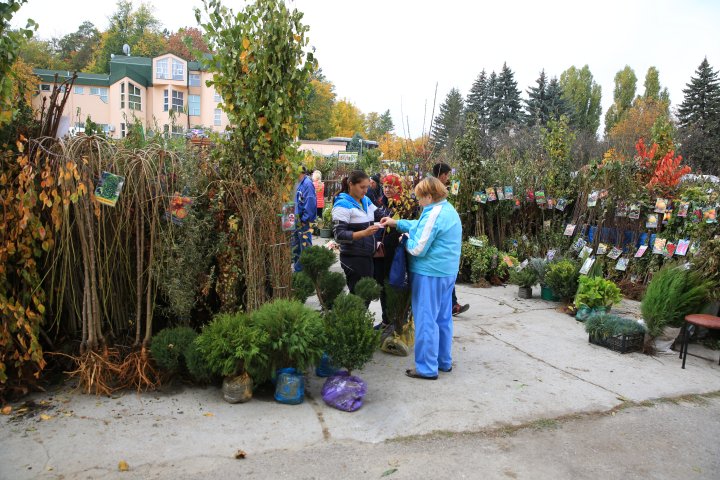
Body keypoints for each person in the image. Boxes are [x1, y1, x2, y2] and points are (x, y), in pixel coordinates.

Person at [380, 177, 462, 380]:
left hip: (429, 274)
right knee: (443, 318)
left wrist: (404, 240)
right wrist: (398, 223)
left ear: (429, 195)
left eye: (419, 197)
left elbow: (418, 248)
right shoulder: (447, 210)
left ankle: (426, 368)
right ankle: (443, 361)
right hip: (446, 273)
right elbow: (421, 225)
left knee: (426, 320)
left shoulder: (434, 213)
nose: (418, 201)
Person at [332, 170, 381, 295]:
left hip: (367, 255)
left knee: (365, 295)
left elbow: (379, 215)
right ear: (351, 184)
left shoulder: (366, 200)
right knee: (360, 296)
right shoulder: (342, 204)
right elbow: (339, 235)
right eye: (362, 187)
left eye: (367, 187)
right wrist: (364, 233)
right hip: (353, 257)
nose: (365, 191)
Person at [432, 162, 470, 316]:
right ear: (441, 175)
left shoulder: (442, 189)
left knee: (447, 277)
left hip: (442, 237)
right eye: (447, 175)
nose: (448, 177)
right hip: (438, 237)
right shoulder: (433, 190)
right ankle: (450, 305)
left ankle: (452, 304)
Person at [372, 173, 405, 329]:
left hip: (394, 251)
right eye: (385, 186)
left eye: (391, 186)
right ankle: (386, 320)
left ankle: (396, 320)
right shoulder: (379, 203)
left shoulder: (404, 205)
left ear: (397, 188)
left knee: (393, 284)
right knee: (382, 285)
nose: (387, 189)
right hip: (379, 250)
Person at [292, 165, 317, 272]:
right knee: (296, 246)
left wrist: (305, 220)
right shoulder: (298, 183)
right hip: (296, 221)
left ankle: (304, 270)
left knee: (306, 247)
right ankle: (299, 272)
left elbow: (310, 203)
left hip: (305, 222)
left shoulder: (307, 184)